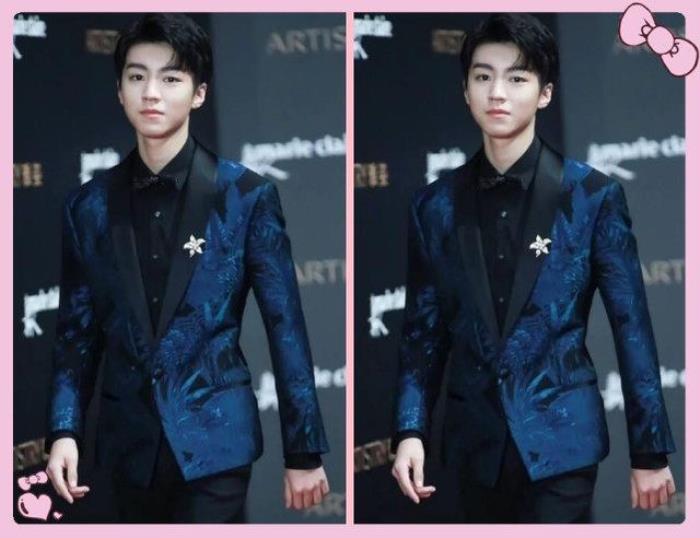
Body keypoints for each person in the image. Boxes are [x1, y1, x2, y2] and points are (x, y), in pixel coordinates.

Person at [44, 13, 329, 523]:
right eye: (137, 76)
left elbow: (285, 326)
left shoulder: (246, 196)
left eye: (170, 78)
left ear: (198, 93)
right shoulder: (87, 206)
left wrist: (303, 451)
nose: (151, 92)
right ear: (120, 90)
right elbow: (75, 336)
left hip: (216, 445)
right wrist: (64, 430)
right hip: (127, 448)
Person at [391, 13, 676, 523]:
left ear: (545, 93)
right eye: (483, 76)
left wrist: (650, 451)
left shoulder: (592, 197)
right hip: (474, 447)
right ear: (465, 90)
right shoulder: (433, 206)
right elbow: (422, 335)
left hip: (563, 444)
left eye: (517, 77)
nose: (497, 92)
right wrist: (410, 430)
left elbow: (631, 327)